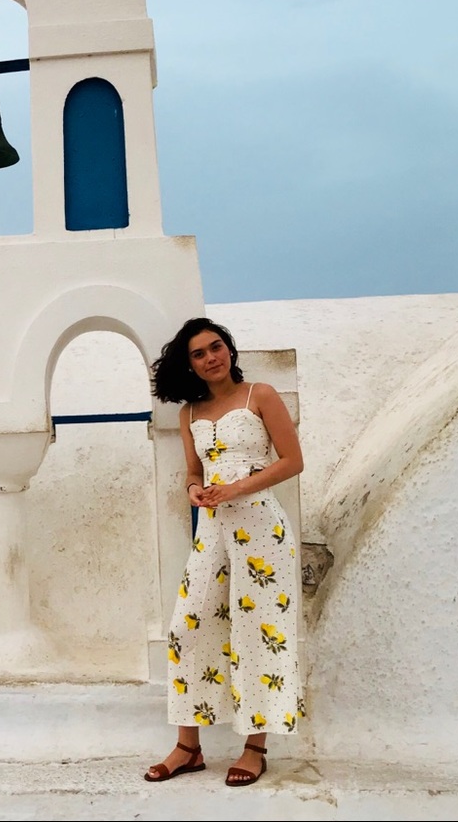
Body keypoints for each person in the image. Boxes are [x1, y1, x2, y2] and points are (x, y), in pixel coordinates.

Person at [144, 317, 305, 787]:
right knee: (187, 625)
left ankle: (255, 746)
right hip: (213, 529)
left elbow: (293, 461)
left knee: (259, 630)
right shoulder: (189, 414)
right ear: (189, 364)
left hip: (261, 527)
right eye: (199, 353)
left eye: (216, 347)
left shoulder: (262, 395)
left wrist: (239, 486)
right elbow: (192, 471)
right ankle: (188, 746)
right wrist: (196, 490)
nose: (211, 357)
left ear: (229, 350)